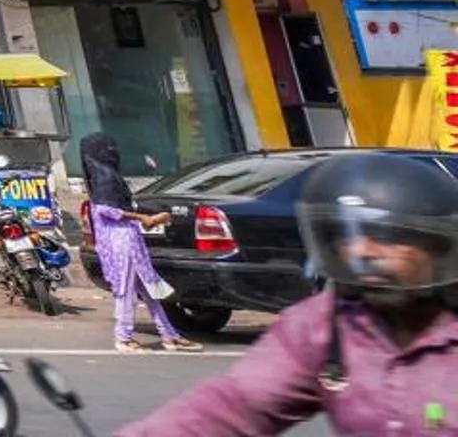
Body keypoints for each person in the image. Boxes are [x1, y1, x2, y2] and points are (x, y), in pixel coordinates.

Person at [124, 151, 458, 435]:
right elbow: (236, 403)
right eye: (348, 237)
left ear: (433, 245)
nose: (362, 250)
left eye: (387, 237)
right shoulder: (329, 324)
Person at [80, 132, 195, 355]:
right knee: (125, 290)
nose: (114, 152)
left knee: (148, 289)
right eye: (109, 148)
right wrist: (144, 219)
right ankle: (123, 338)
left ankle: (169, 335)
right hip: (120, 241)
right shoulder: (104, 178)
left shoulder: (105, 177)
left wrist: (148, 217)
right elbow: (107, 210)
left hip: (129, 238)